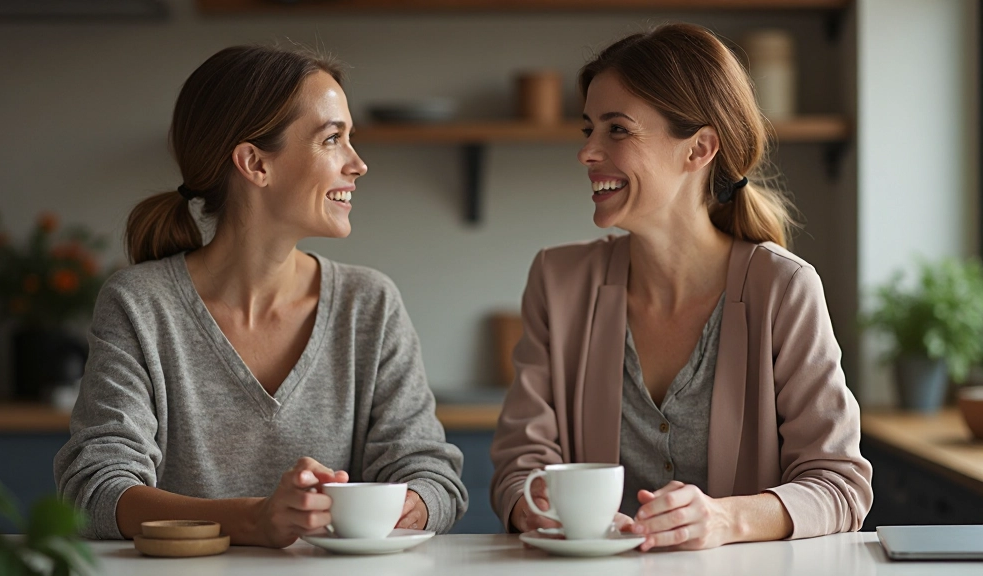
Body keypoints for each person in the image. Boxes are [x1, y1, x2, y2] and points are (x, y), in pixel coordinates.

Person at [54, 45, 467, 547]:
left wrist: (406, 503)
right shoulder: (140, 304)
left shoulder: (369, 303)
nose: (357, 164)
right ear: (254, 163)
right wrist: (255, 519)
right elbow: (94, 491)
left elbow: (434, 478)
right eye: (333, 139)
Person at [490, 23, 872, 551]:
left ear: (699, 149)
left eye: (617, 129)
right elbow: (519, 466)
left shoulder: (783, 289)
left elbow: (839, 485)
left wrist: (724, 520)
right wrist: (540, 510)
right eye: (588, 130)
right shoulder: (559, 282)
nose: (587, 152)